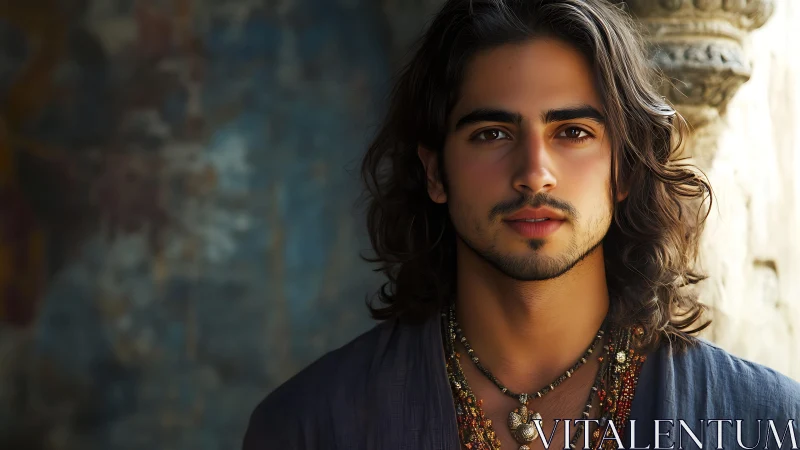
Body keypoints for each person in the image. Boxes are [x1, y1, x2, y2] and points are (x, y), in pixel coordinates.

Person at [243, 0, 800, 449]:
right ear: (435, 172)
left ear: (625, 169)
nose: (534, 173)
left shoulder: (766, 423)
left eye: (573, 133)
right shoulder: (309, 428)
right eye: (492, 134)